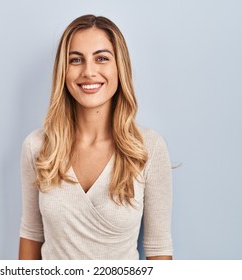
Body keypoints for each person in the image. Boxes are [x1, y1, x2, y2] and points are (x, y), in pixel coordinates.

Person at [18, 14, 173, 260]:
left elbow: (158, 248)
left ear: (119, 67)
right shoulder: (37, 147)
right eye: (76, 60)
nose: (89, 72)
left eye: (101, 58)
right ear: (63, 71)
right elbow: (31, 234)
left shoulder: (149, 148)